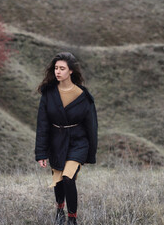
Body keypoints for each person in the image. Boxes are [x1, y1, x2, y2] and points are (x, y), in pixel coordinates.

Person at [35, 52, 98, 225]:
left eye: (62, 68)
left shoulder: (84, 96)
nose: (58, 71)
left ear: (71, 71)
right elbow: (42, 125)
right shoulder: (48, 93)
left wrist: (90, 153)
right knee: (59, 180)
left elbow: (92, 127)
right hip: (56, 142)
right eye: (56, 68)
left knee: (68, 178)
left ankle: (72, 219)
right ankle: (59, 210)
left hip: (78, 142)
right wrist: (41, 153)